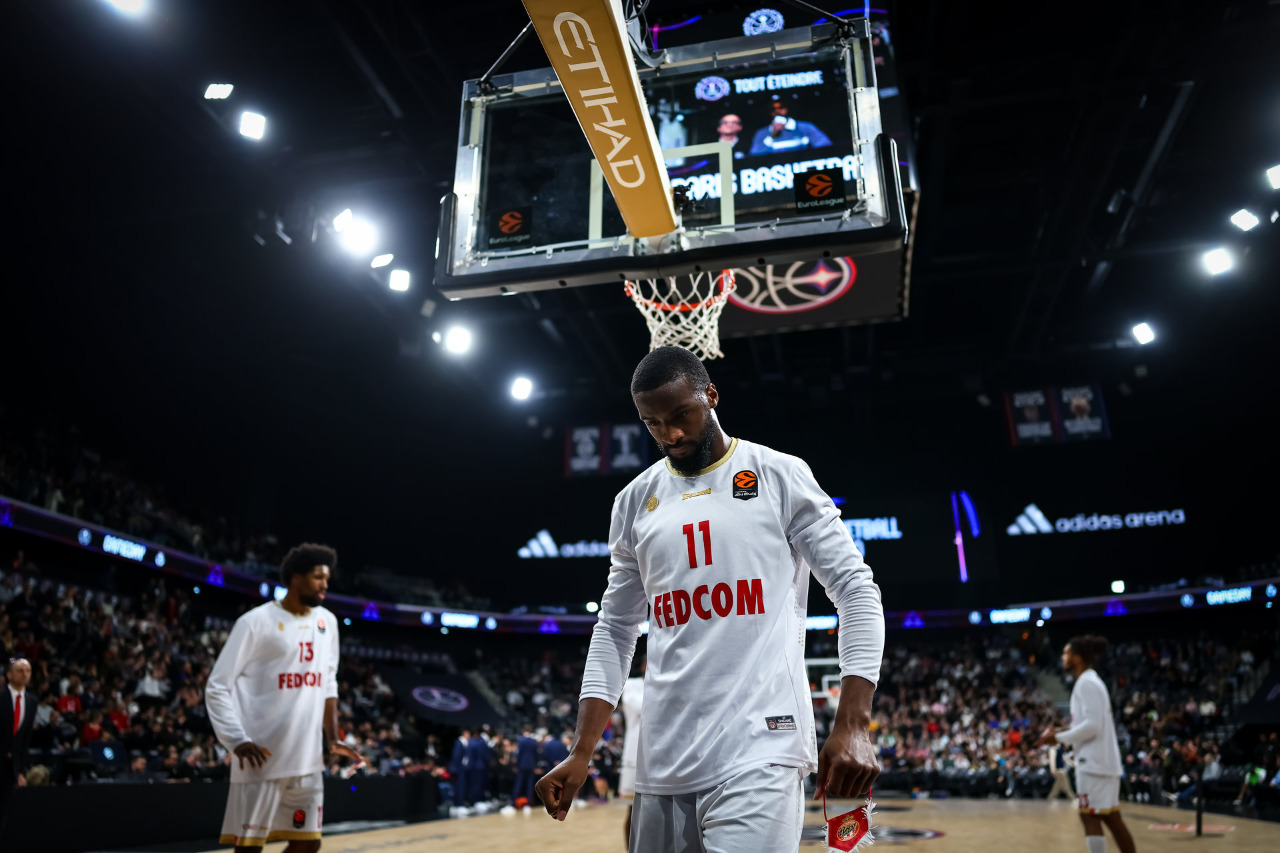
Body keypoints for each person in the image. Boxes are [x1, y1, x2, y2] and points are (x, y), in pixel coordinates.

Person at [535, 346, 885, 853]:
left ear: (711, 396)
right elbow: (614, 628)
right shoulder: (633, 502)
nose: (671, 434)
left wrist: (853, 723)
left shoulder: (778, 474)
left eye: (681, 415)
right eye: (653, 423)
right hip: (663, 755)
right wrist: (581, 749)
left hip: (761, 746)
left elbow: (856, 589)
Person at [205, 543, 361, 852]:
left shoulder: (327, 622)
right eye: (318, 578)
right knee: (249, 847)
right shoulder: (255, 622)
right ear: (296, 578)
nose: (325, 585)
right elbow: (217, 686)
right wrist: (236, 739)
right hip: (262, 757)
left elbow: (328, 681)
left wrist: (332, 738)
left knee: (309, 844)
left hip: (307, 759)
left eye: (327, 578)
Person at [1036, 635, 1136, 853]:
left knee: (1090, 816)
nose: (1062, 657)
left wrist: (1059, 738)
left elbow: (1093, 726)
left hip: (1094, 763)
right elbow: (1088, 724)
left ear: (1078, 658)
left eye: (1066, 653)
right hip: (1102, 762)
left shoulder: (1086, 683)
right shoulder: (1091, 681)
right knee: (1112, 818)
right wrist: (1060, 732)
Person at [0, 658, 34, 837]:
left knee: (3, 812)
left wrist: (21, 771)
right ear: (9, 674)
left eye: (27, 670)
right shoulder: (1, 697)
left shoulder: (31, 701)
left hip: (11, 768)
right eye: (20, 670)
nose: (24, 674)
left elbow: (24, 740)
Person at [618, 660, 645, 846]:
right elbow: (647, 707)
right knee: (633, 810)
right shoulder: (631, 685)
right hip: (635, 756)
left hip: (664, 756)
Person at [748, 100, 832, 155]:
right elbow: (755, 156)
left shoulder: (805, 127)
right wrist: (772, 136)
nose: (777, 112)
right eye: (773, 110)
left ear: (787, 109)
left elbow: (825, 146)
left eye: (781, 108)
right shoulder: (762, 133)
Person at [513, 726, 539, 811]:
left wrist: (517, 765)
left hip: (522, 764)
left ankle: (514, 802)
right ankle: (529, 803)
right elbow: (536, 754)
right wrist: (535, 765)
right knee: (530, 784)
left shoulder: (520, 740)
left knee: (519, 783)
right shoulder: (533, 741)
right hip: (531, 764)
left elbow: (519, 754)